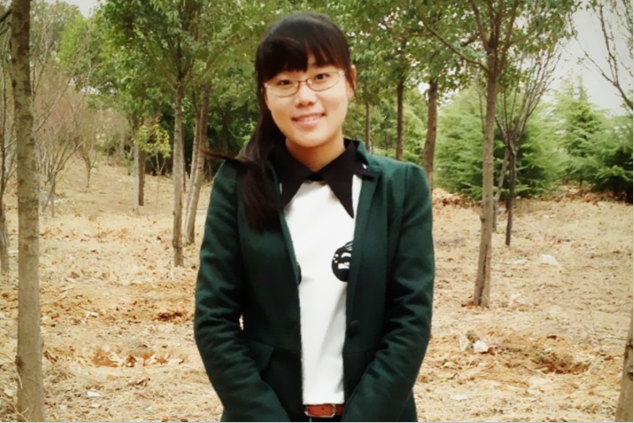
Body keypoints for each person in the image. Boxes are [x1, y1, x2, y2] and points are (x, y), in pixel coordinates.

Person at [194, 11, 434, 422]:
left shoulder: (401, 187)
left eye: (321, 76)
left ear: (350, 81)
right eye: (284, 82)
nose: (304, 96)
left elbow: (410, 321)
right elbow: (214, 320)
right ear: (266, 95)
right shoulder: (238, 186)